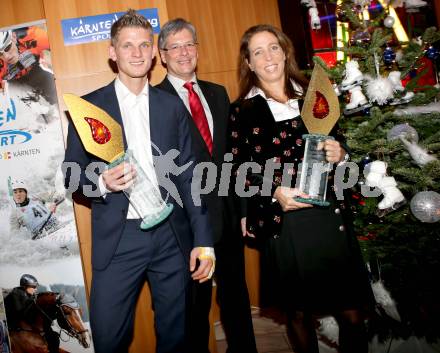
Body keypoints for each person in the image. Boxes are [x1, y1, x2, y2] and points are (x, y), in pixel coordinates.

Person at [63, 9, 214, 353]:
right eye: (127, 46)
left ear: (153, 53)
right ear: (112, 52)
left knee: (177, 338)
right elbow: (71, 175)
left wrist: (203, 241)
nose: (136, 53)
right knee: (109, 338)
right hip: (119, 240)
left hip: (171, 238)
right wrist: (101, 182)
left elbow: (190, 175)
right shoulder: (90, 108)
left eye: (144, 45)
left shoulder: (171, 106)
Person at [229, 24, 374, 353]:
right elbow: (237, 171)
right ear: (249, 63)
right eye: (258, 52)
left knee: (351, 314)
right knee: (298, 314)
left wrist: (342, 154)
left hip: (328, 219)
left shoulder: (316, 94)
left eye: (273, 47)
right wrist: (275, 192)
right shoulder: (241, 112)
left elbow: (340, 144)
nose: (268, 57)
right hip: (286, 223)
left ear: (285, 52)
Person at [156, 18, 257, 353]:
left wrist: (243, 210)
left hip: (227, 216)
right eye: (176, 47)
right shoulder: (153, 101)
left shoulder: (218, 93)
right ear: (163, 55)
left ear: (197, 50)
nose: (184, 53)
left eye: (189, 45)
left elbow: (234, 157)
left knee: (236, 298)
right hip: (186, 224)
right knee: (194, 308)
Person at [0, 27, 56, 104]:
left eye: (7, 48)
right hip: (13, 85)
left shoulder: (31, 36)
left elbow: (60, 42)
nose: (6, 56)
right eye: (0, 54)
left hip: (36, 72)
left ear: (13, 37)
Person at [4, 274, 59, 353]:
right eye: (33, 287)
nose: (35, 289)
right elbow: (21, 312)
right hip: (11, 325)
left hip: (22, 323)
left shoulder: (29, 295)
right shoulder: (16, 294)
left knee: (54, 336)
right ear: (25, 286)